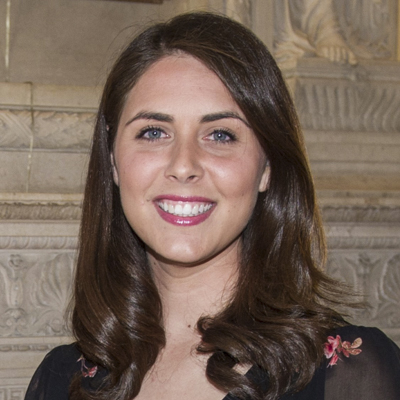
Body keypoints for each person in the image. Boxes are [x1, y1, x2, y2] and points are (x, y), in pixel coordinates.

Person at [24, 11, 400, 400]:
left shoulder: (349, 373)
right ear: (113, 158)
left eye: (220, 135)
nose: (183, 165)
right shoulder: (59, 379)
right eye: (153, 132)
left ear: (267, 165)